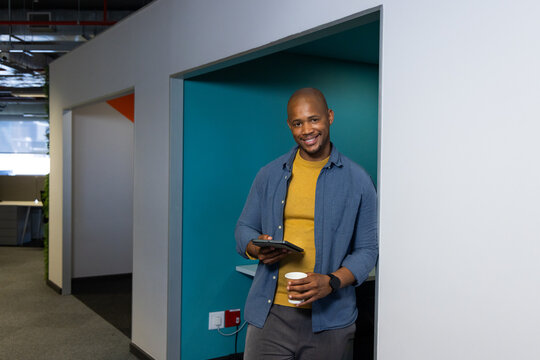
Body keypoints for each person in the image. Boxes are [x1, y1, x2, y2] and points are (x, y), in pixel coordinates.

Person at [235, 88, 378, 359]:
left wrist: (332, 282)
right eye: (298, 123)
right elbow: (243, 229)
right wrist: (257, 248)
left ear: (330, 117)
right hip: (270, 314)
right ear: (289, 125)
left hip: (330, 319)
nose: (307, 130)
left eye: (314, 119)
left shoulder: (358, 180)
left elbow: (368, 249)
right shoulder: (269, 175)